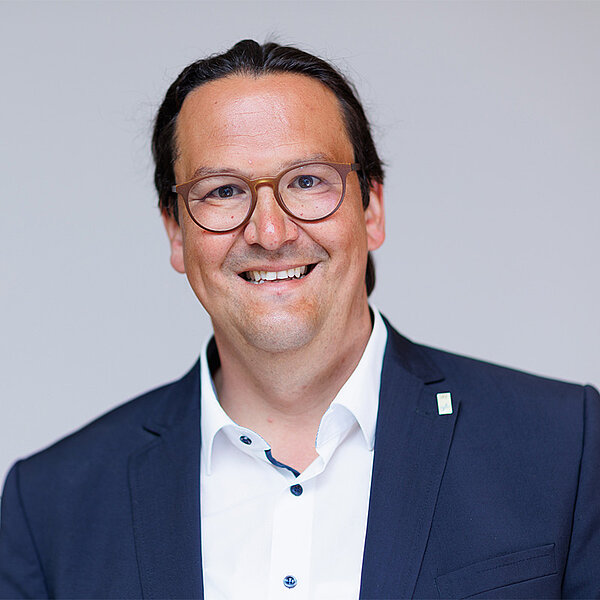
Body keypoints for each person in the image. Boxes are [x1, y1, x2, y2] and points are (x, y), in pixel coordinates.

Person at [0, 39, 598, 600]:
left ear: (372, 209)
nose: (270, 232)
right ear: (176, 234)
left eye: (308, 181)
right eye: (223, 191)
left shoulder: (565, 445)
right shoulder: (49, 507)